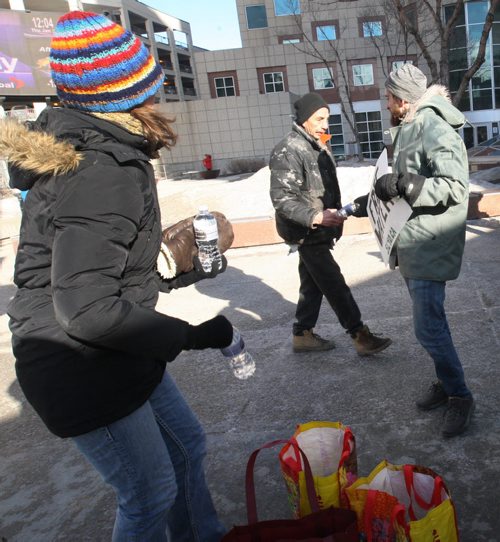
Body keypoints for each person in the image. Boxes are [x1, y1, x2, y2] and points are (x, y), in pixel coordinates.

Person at [3, 11, 233, 540]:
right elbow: (85, 310)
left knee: (186, 448)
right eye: (150, 82)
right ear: (124, 91)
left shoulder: (102, 152)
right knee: (149, 493)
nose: (160, 95)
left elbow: (99, 270)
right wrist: (193, 336)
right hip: (77, 362)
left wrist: (170, 266)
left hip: (113, 348)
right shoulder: (101, 169)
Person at [373, 63, 474, 437]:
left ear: (402, 99)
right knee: (434, 324)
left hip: (431, 241)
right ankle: (447, 383)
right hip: (413, 241)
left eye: (388, 97)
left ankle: (460, 395)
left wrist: (406, 184)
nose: (386, 103)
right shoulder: (409, 126)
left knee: (428, 329)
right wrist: (388, 186)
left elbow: (455, 186)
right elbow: (405, 180)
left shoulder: (433, 127)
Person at [269, 92, 392, 356]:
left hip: (321, 227)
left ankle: (302, 333)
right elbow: (282, 198)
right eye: (319, 118)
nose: (326, 124)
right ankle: (360, 335)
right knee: (334, 283)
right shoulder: (289, 149)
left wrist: (335, 214)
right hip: (307, 231)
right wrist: (316, 217)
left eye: (327, 118)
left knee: (312, 283)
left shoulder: (315, 144)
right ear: (303, 119)